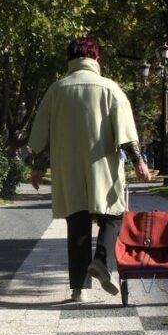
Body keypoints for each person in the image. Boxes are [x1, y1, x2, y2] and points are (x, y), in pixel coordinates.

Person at [28, 38, 151, 302]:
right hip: (102, 167)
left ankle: (77, 290)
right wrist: (139, 161)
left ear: (70, 59)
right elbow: (127, 133)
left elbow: (42, 137)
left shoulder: (56, 90)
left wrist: (38, 168)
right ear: (96, 58)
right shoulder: (110, 88)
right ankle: (101, 261)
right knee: (113, 215)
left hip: (68, 169)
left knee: (78, 224)